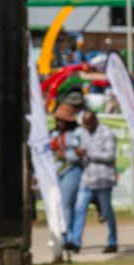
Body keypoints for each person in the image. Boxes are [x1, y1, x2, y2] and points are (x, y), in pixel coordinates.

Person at [64, 97, 119, 254]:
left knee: (107, 212)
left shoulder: (107, 133)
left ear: (95, 121)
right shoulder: (83, 133)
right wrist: (78, 154)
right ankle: (75, 242)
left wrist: (89, 153)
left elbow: (110, 156)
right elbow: (78, 151)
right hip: (87, 179)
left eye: (89, 124)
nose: (87, 128)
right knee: (79, 209)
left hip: (103, 180)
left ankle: (112, 241)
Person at [50, 90, 87, 256]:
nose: (60, 123)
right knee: (58, 205)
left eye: (63, 120)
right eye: (58, 120)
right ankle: (62, 235)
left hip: (72, 170)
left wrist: (68, 155)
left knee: (67, 205)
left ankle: (69, 238)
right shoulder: (54, 134)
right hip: (57, 171)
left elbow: (82, 153)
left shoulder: (78, 133)